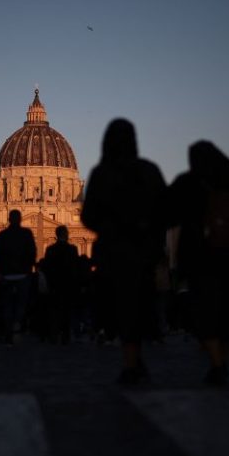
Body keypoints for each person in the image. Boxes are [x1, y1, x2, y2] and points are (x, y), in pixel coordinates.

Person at [167, 141, 229, 386]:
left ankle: (217, 363)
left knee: (204, 314)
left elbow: (167, 214)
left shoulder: (188, 182)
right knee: (227, 314)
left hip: (200, 258)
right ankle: (222, 358)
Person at [81, 118, 167, 384]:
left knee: (121, 305)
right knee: (140, 304)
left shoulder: (102, 173)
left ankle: (130, 361)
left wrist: (111, 226)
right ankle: (136, 357)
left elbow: (88, 216)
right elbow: (165, 210)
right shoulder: (149, 170)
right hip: (143, 252)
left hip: (114, 252)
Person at [0, 209, 36, 345]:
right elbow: (32, 253)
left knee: (7, 304)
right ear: (20, 219)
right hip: (23, 274)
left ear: (9, 219)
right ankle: (17, 324)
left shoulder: (2, 235)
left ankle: (8, 331)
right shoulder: (26, 234)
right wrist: (28, 269)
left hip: (6, 275)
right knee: (21, 304)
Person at [40, 225, 80, 344]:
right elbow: (75, 268)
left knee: (54, 310)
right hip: (67, 284)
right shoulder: (72, 249)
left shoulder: (50, 249)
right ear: (65, 234)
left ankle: (54, 334)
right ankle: (65, 336)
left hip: (54, 284)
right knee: (67, 311)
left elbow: (46, 267)